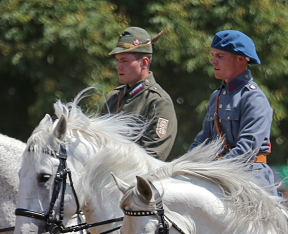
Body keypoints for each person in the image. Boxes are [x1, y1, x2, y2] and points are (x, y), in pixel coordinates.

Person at [190, 30, 275, 190]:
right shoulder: (217, 96)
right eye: (213, 55)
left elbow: (247, 148)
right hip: (220, 175)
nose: (213, 61)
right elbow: (204, 140)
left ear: (241, 59)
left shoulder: (253, 98)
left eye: (220, 56)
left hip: (250, 178)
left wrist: (215, 170)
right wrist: (184, 165)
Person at [103, 27, 177, 161]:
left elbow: (154, 155)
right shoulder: (113, 98)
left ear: (144, 62)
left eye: (124, 61)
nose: (118, 66)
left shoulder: (158, 102)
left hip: (136, 180)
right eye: (117, 60)